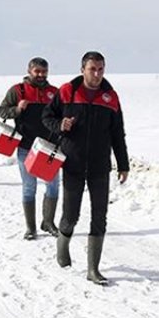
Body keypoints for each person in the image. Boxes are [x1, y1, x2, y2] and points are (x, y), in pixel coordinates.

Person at [41, 51, 129, 285]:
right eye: (93, 69)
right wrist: (60, 124)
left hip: (100, 165)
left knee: (100, 216)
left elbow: (117, 133)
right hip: (73, 163)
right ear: (83, 69)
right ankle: (62, 246)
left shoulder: (111, 96)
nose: (97, 73)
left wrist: (123, 163)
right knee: (72, 214)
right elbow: (46, 116)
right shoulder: (67, 91)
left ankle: (93, 269)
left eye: (101, 69)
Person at [0, 57, 61, 240]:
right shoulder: (18, 90)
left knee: (54, 186)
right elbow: (2, 111)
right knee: (29, 187)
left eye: (44, 72)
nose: (41, 75)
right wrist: (17, 110)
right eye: (37, 72)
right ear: (29, 71)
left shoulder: (54, 92)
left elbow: (62, 114)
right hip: (26, 147)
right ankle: (31, 228)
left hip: (50, 149)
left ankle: (48, 222)